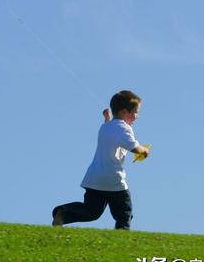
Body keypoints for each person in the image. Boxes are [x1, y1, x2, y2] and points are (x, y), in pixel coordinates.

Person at [52, 90, 150, 230]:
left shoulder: (106, 126)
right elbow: (134, 147)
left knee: (91, 211)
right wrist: (145, 150)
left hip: (95, 178)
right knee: (124, 213)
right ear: (123, 112)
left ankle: (63, 212)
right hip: (113, 179)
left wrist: (107, 118)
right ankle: (121, 239)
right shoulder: (124, 129)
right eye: (135, 112)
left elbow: (111, 132)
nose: (137, 116)